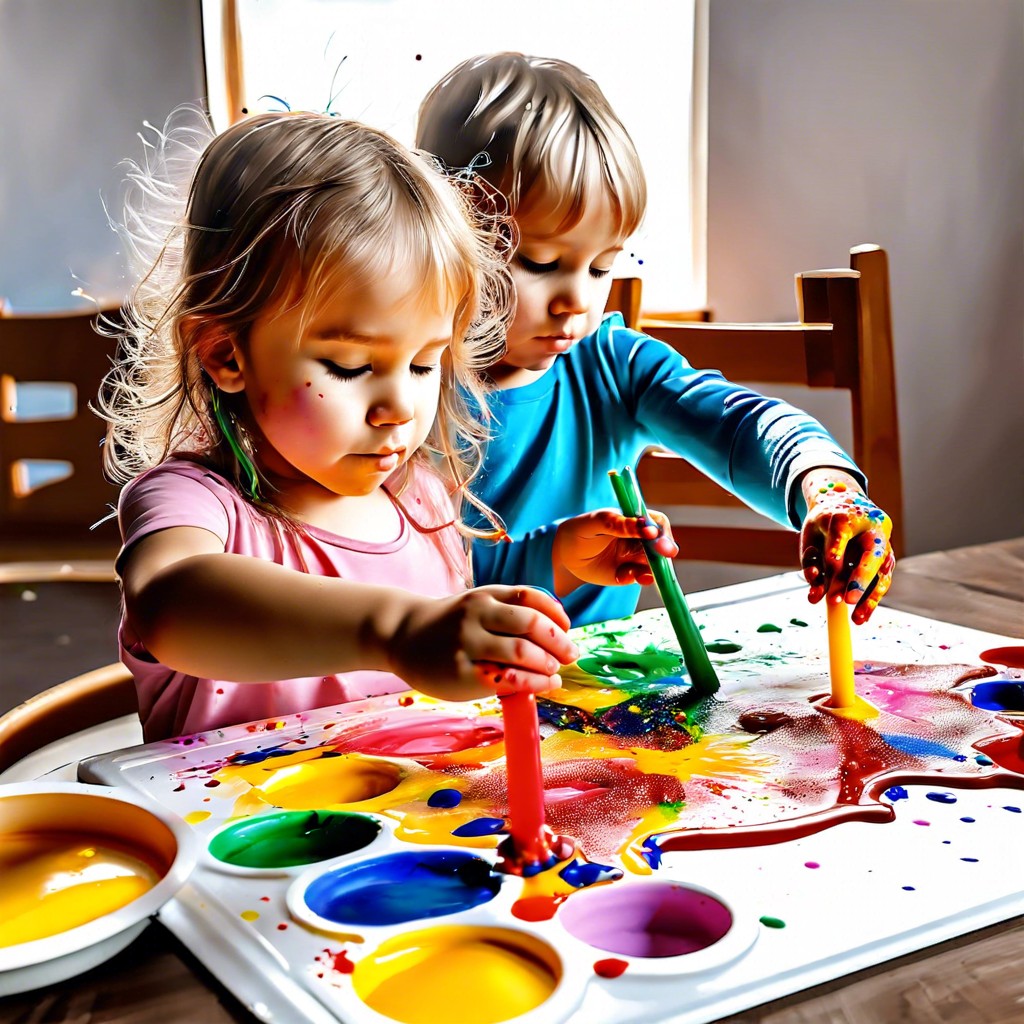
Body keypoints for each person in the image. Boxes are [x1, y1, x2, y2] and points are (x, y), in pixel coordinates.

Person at [98, 109, 677, 741]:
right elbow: (170, 603)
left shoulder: (416, 492)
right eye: (350, 366)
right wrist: (395, 632)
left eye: (426, 363)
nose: (400, 407)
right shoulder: (191, 503)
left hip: (423, 824)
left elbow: (451, 600)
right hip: (233, 830)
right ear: (225, 355)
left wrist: (560, 559)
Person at [415, 52, 896, 628]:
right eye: (540, 263)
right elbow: (409, 577)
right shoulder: (405, 388)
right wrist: (557, 557)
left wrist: (825, 486)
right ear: (443, 242)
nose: (578, 301)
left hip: (608, 680)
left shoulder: (613, 365)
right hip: (456, 691)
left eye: (600, 269)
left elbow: (742, 426)